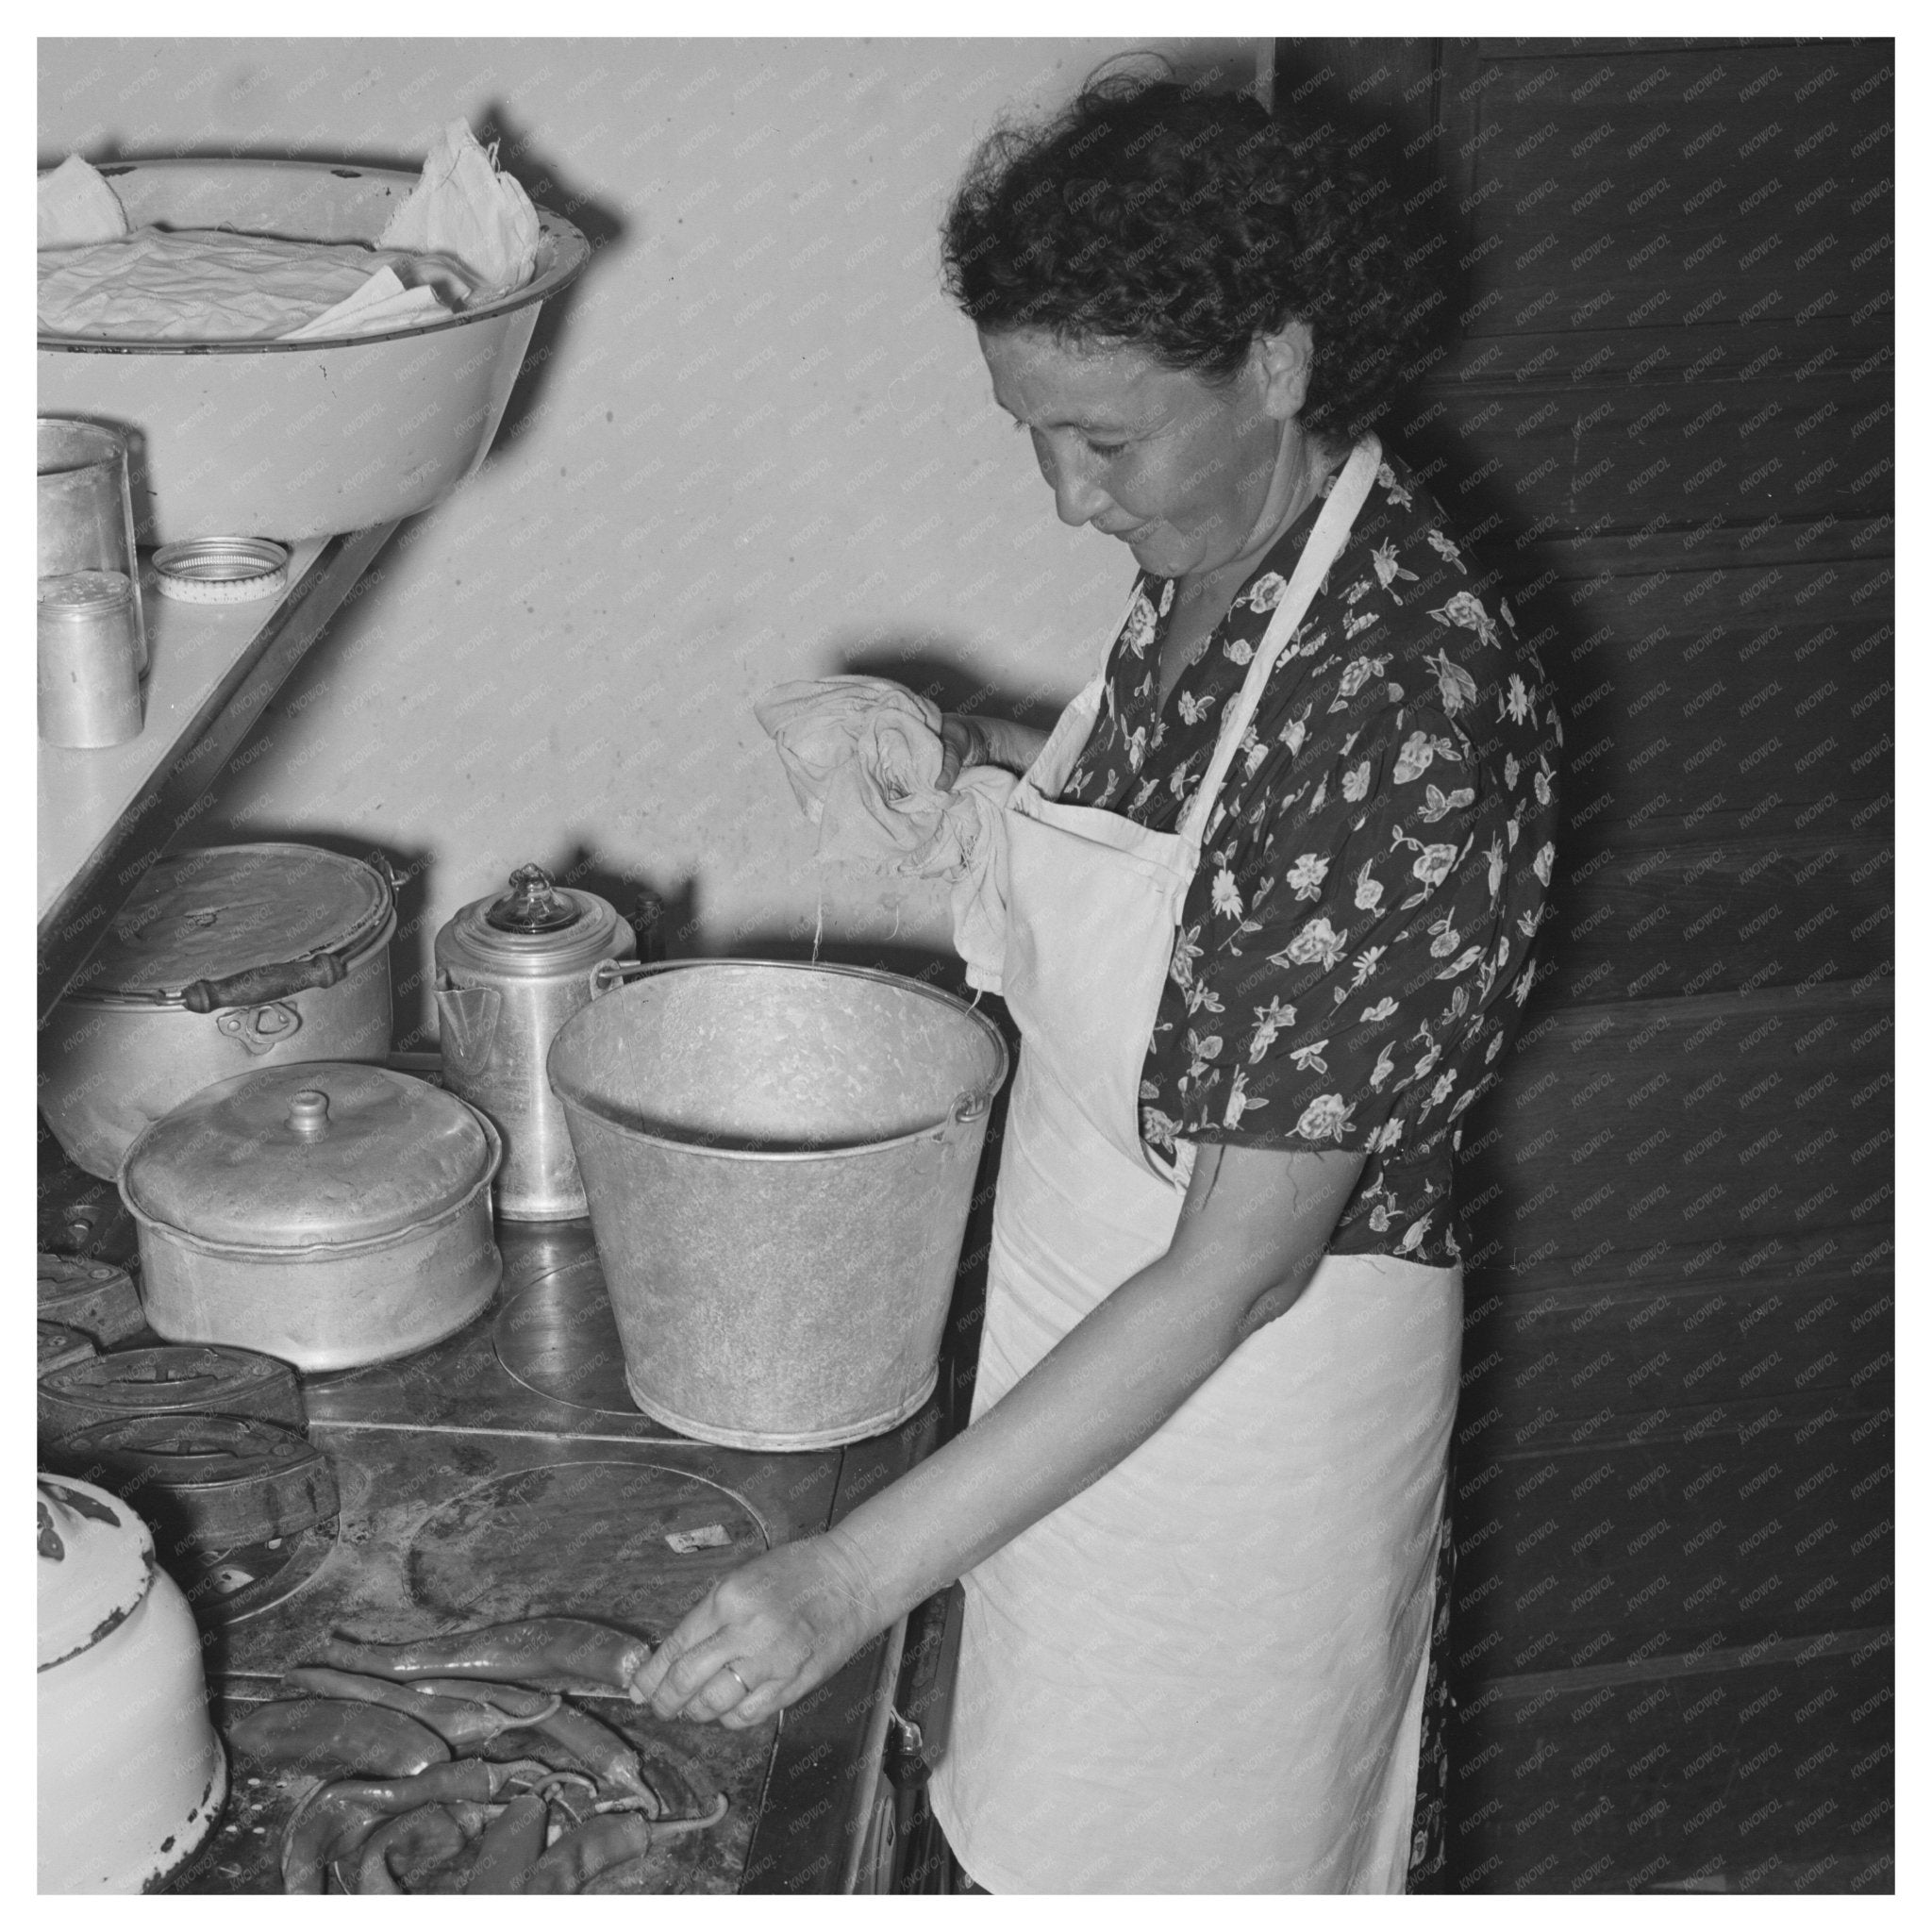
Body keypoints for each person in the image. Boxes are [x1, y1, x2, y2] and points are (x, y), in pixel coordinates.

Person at [632, 71, 1562, 1893]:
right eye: (1031, 434)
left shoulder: (1396, 712)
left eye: (1105, 441)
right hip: (1080, 1366)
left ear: (1278, 363)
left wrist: (848, 1575)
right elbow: (1194, 858)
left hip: (1238, 1445)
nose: (1065, 498)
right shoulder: (1230, 560)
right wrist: (968, 763)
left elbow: (1242, 1261)